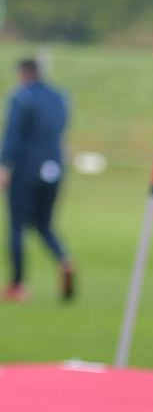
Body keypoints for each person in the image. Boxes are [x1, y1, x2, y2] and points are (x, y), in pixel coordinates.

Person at [1, 58, 74, 302]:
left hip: (26, 169)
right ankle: (64, 260)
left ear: (23, 73)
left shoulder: (22, 97)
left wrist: (3, 166)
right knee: (43, 224)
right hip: (54, 167)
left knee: (17, 227)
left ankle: (17, 285)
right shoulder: (60, 97)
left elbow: (13, 133)